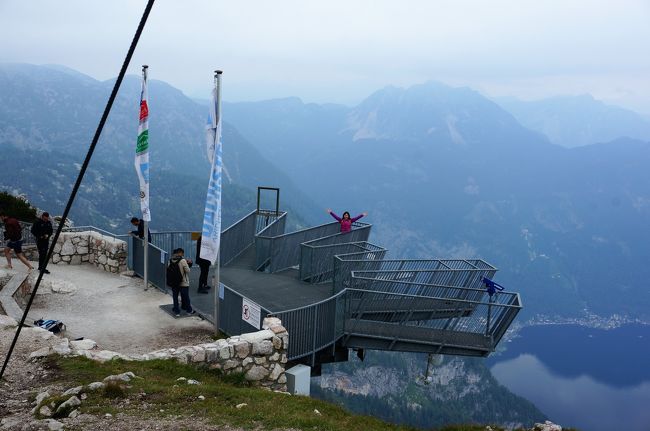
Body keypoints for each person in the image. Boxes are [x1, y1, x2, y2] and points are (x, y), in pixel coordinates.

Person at [169, 247, 195, 317]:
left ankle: (177, 311)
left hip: (174, 282)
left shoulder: (171, 260)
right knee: (186, 297)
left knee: (175, 296)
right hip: (183, 282)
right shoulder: (182, 260)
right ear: (181, 253)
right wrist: (188, 264)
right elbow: (188, 271)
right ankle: (189, 311)